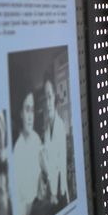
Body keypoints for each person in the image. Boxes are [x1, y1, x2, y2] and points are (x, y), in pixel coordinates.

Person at [12, 88, 46, 215]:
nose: (30, 116)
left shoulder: (36, 139)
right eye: (27, 109)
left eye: (32, 110)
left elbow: (42, 172)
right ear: (20, 113)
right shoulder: (16, 151)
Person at [40, 77, 69, 206]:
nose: (48, 102)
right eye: (45, 98)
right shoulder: (45, 127)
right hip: (50, 191)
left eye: (50, 97)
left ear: (54, 98)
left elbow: (62, 164)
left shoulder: (60, 126)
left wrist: (59, 193)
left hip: (59, 190)